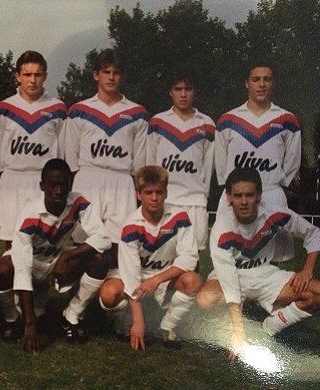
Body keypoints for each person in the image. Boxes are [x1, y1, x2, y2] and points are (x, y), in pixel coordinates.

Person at [197, 168, 320, 358]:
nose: (243, 201)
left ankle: (272, 325)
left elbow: (313, 233)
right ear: (228, 197)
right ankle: (227, 326)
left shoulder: (275, 214)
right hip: (232, 276)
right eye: (238, 195)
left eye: (249, 195)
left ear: (258, 195)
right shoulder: (222, 228)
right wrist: (239, 333)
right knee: (205, 299)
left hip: (265, 274)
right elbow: (229, 280)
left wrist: (307, 270)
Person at [0, 158, 111, 354]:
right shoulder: (29, 216)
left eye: (63, 184)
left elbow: (104, 238)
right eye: (52, 185)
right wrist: (30, 324)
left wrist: (67, 256)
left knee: (101, 258)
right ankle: (12, 320)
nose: (58, 191)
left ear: (70, 185)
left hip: (57, 261)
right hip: (31, 263)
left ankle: (71, 315)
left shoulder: (79, 202)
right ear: (42, 186)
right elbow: (22, 269)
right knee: (2, 269)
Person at [99, 166, 202, 351]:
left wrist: (157, 279)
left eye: (159, 192)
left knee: (193, 281)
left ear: (166, 193)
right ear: (139, 194)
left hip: (163, 277)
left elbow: (189, 258)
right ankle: (124, 318)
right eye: (148, 192)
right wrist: (139, 323)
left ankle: (167, 326)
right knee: (109, 294)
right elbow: (131, 277)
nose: (154, 198)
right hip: (136, 276)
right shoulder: (130, 226)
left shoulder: (180, 217)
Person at [215, 62, 301, 261]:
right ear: (246, 83)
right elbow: (221, 165)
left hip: (271, 194)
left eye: (267, 79)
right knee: (231, 258)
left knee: (272, 262)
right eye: (256, 79)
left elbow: (291, 164)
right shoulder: (229, 120)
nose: (261, 84)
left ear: (273, 83)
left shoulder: (287, 120)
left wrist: (275, 182)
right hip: (236, 199)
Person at [63, 48, 148, 247]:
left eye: (116, 72)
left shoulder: (137, 113)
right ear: (96, 74)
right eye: (106, 71)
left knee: (120, 242)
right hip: (88, 178)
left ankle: (116, 278)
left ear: (123, 76)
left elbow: (140, 161)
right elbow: (71, 156)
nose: (111, 77)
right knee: (82, 237)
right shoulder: (79, 111)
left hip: (121, 180)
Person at [0, 50, 67, 246]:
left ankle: (44, 277)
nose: (32, 80)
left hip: (43, 182)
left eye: (37, 74)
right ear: (17, 76)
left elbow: (62, 151)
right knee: (11, 239)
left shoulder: (57, 108)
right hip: (13, 179)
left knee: (44, 240)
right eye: (27, 74)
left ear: (45, 76)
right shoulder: (4, 108)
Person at [146, 70, 215, 250]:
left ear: (195, 91)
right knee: (162, 255)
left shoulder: (207, 124)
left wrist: (202, 196)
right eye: (178, 89)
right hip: (165, 201)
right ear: (171, 91)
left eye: (188, 89)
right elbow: (150, 166)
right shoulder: (157, 122)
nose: (183, 94)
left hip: (194, 201)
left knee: (193, 258)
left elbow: (208, 168)